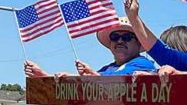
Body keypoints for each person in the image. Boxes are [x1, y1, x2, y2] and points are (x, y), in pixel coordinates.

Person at [25, 18, 158, 78]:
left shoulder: (143, 64)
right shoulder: (107, 69)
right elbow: (82, 91)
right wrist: (43, 76)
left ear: (140, 43)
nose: (120, 41)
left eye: (127, 37)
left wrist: (93, 77)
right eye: (115, 36)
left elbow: (117, 81)